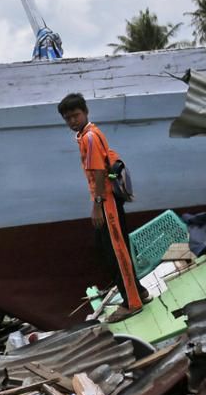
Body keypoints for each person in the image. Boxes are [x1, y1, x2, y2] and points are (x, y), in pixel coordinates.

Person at [57, 92, 149, 321]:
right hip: (106, 200)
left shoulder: (89, 137)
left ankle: (132, 303)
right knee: (110, 247)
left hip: (106, 202)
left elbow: (99, 172)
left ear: (85, 112)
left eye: (75, 115)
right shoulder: (87, 135)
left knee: (116, 252)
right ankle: (139, 291)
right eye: (67, 118)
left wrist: (97, 205)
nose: (72, 121)